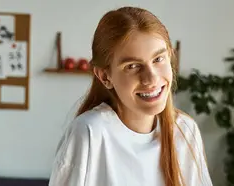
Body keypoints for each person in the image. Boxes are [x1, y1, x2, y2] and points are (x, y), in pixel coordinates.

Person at [49, 6, 213, 186]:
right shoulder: (89, 132)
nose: (151, 78)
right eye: (132, 66)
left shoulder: (185, 131)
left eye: (158, 59)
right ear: (105, 76)